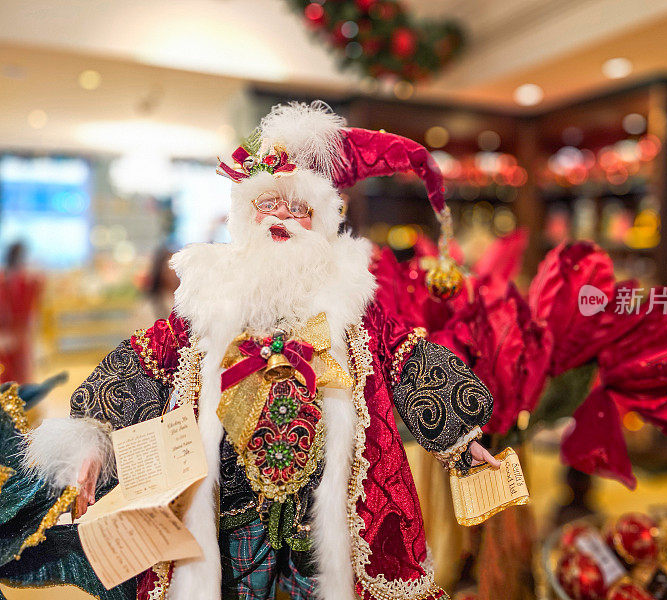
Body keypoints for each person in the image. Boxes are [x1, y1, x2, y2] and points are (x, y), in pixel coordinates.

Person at [10, 102, 499, 600]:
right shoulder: (211, 293)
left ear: (320, 222)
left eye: (297, 208)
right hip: (234, 506)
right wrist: (91, 441)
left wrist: (461, 432)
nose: (280, 218)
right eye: (268, 206)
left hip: (324, 503)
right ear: (247, 217)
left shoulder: (349, 298)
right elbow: (147, 356)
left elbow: (405, 356)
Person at [0, 242, 42, 385]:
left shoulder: (27, 280)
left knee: (19, 375)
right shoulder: (17, 280)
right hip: (9, 337)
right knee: (11, 375)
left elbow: (31, 311)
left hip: (18, 335)